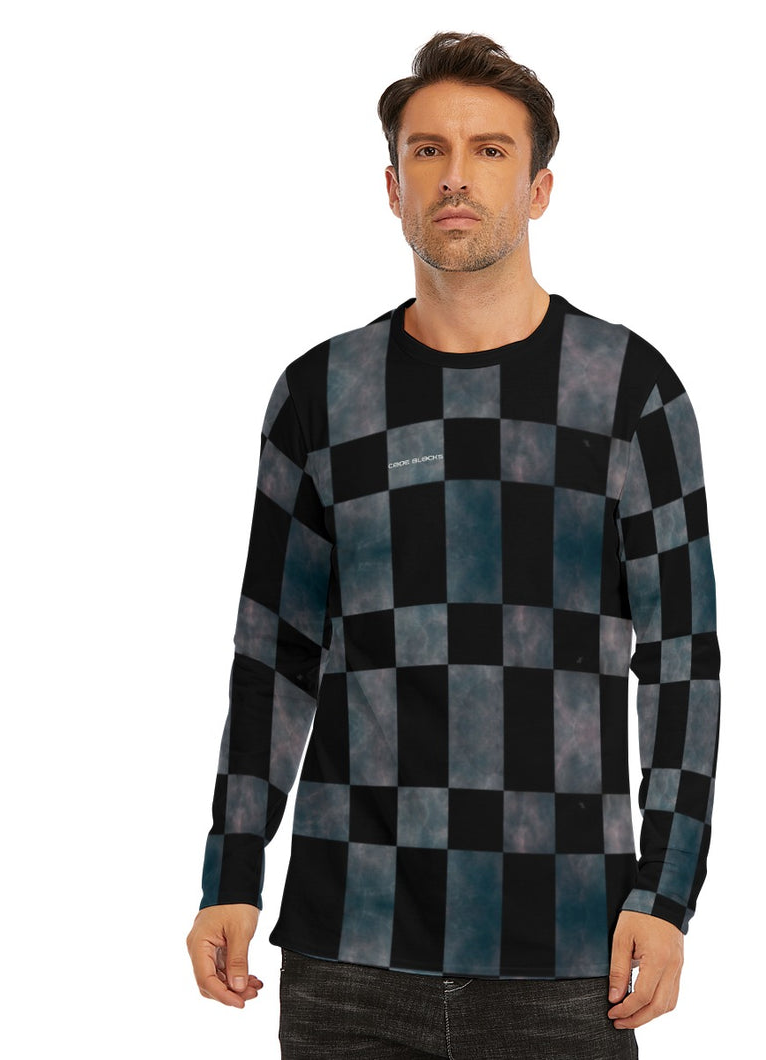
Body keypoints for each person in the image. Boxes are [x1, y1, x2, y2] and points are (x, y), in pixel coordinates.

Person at [187, 31, 720, 1060]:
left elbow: (683, 661)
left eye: (489, 150)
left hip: (569, 948)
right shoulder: (320, 395)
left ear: (540, 187)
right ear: (392, 188)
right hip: (348, 950)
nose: (456, 176)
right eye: (428, 150)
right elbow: (275, 655)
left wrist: (665, 893)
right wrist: (231, 872)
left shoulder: (628, 392)